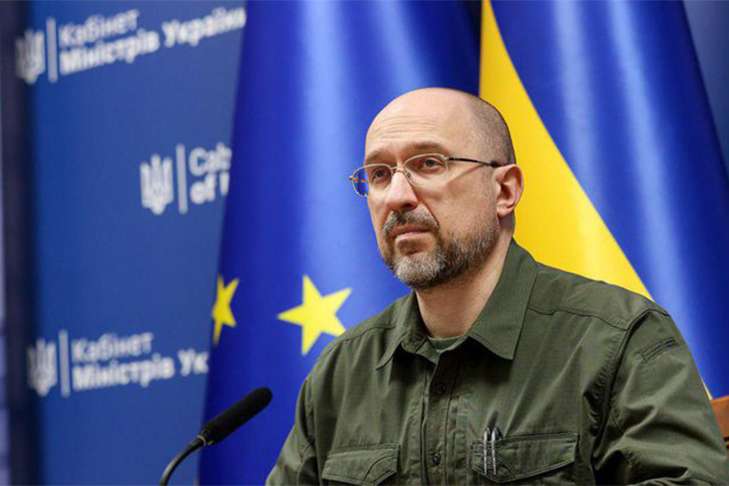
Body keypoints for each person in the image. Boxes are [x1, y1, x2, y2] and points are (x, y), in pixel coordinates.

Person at [267, 88, 729, 484]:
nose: (398, 196)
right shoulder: (342, 372)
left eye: (428, 164)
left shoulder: (617, 339)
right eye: (380, 175)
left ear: (505, 191)